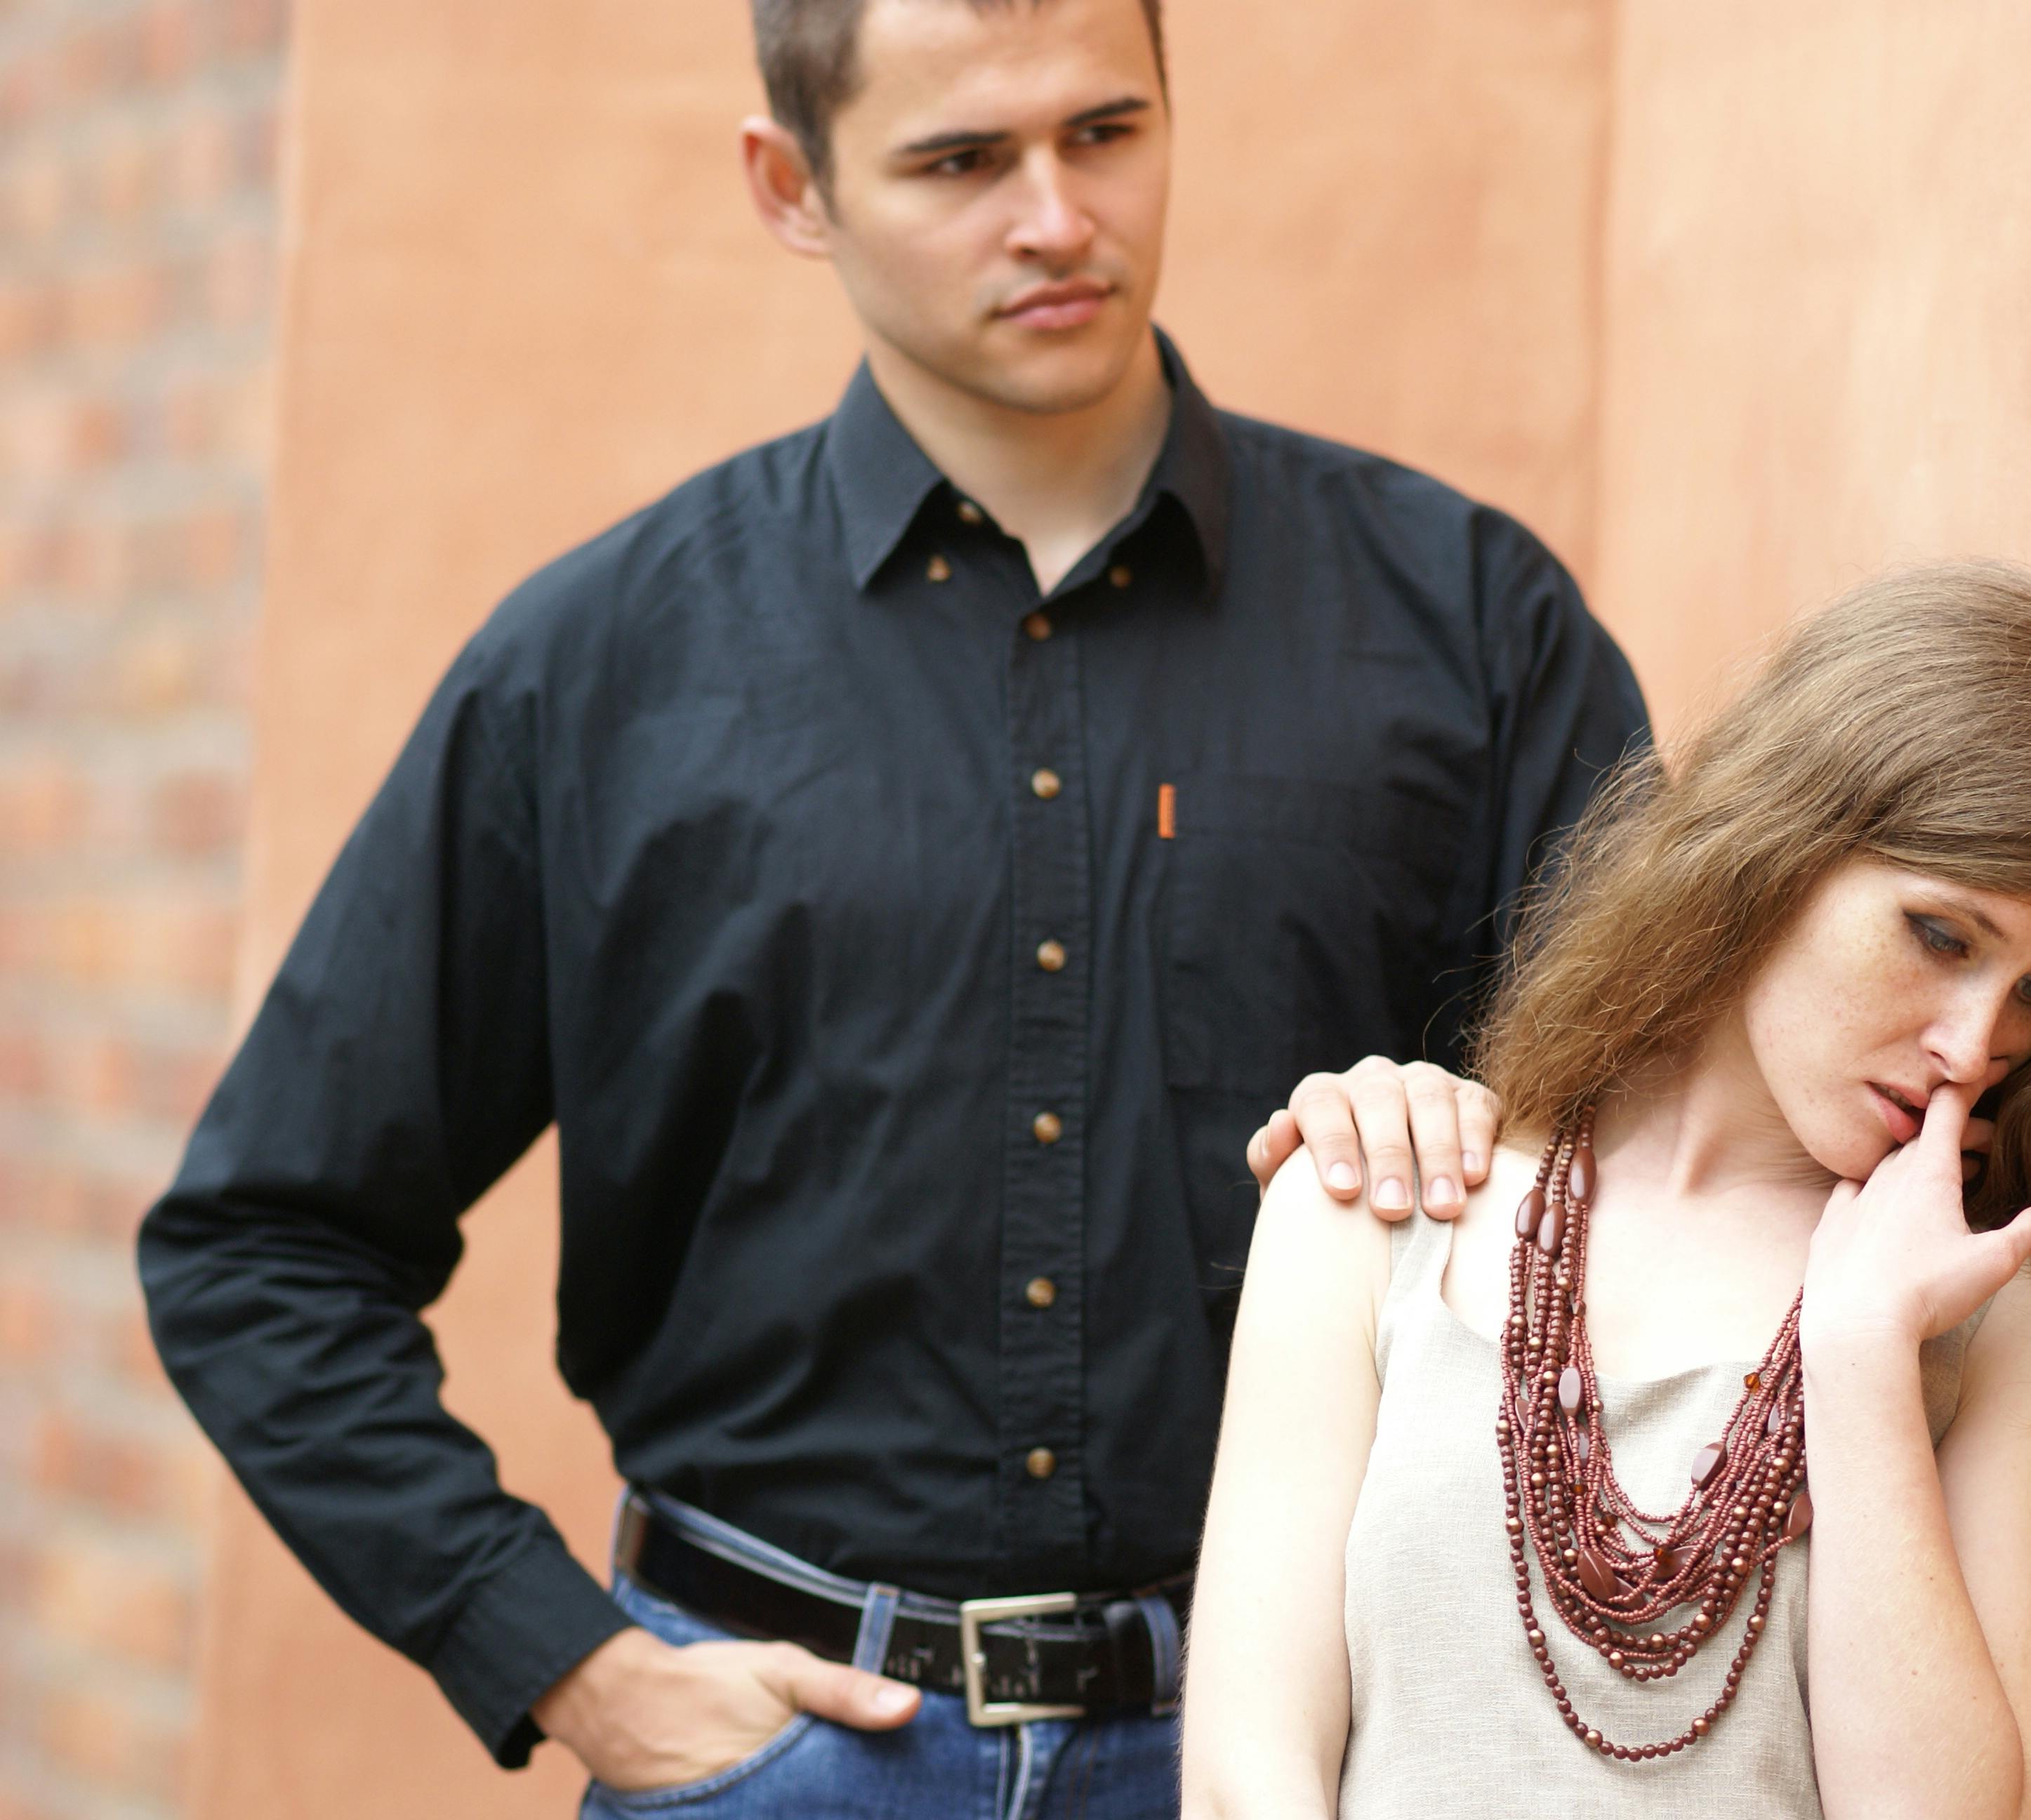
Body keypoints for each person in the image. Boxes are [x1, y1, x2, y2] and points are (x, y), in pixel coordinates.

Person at [135, 0, 1643, 1814]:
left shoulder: (1466, 628)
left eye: (1106, 133)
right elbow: (264, 1243)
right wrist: (564, 1659)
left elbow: (1661, 1184)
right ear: (793, 187)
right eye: (959, 162)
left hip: (1294, 1753)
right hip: (778, 1763)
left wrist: (1495, 1140)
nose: (1058, 218)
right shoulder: (602, 668)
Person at [1183, 563, 2031, 1820]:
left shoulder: (2012, 1306)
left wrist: (1862, 1359)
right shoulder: (1373, 1210)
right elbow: (1245, 1777)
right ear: (1778, 846)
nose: (1976, 1047)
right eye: (1943, 936)